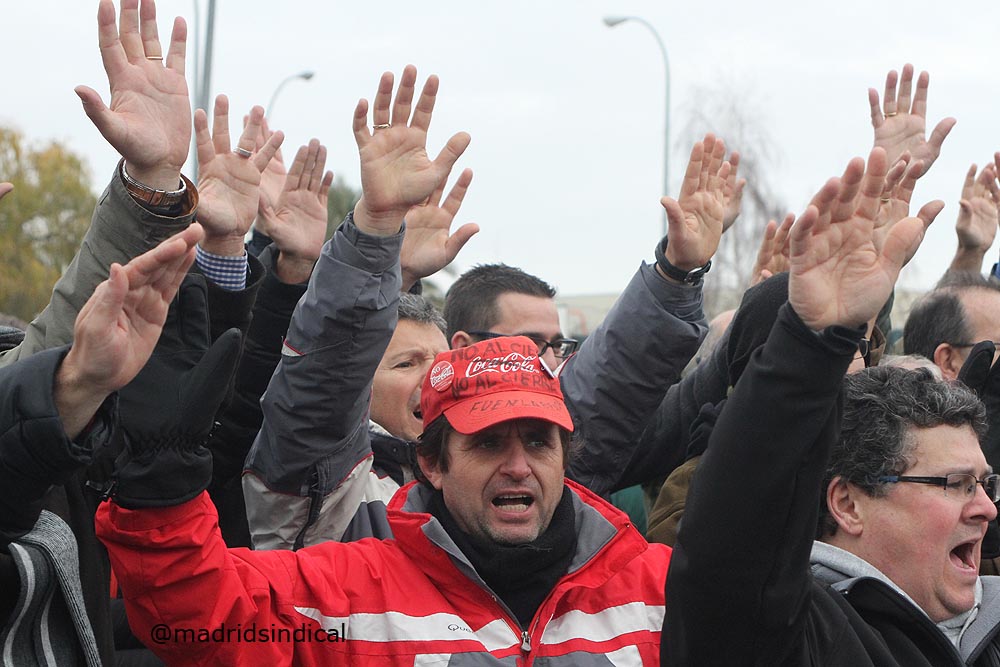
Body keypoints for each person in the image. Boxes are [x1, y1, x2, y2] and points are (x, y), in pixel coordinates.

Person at [659, 146, 1000, 665]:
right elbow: (728, 566)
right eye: (954, 483)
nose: (987, 508)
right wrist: (812, 340)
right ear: (847, 504)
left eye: (983, 482)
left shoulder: (989, 619)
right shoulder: (803, 640)